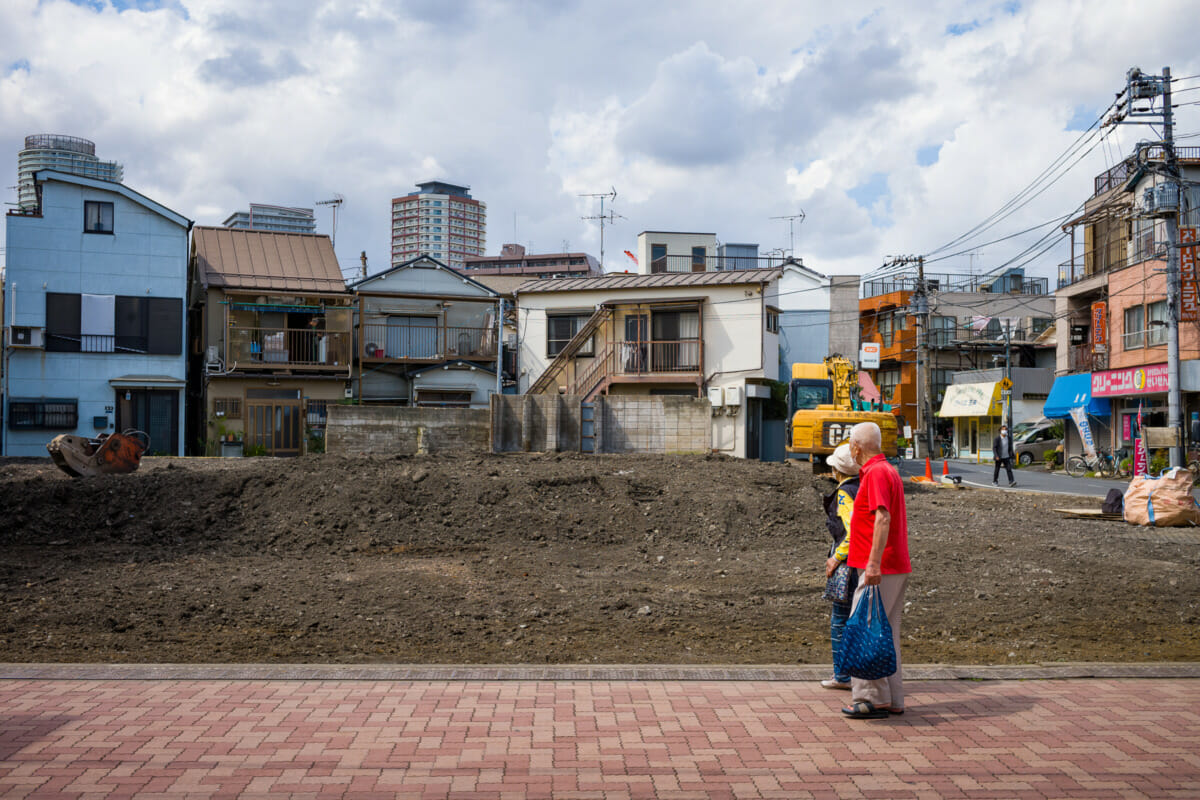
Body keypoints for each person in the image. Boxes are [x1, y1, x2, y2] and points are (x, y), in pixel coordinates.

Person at [840, 421, 912, 719]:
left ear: (857, 446)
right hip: (893, 565)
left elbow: (882, 518)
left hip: (879, 567)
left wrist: (872, 562)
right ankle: (893, 697)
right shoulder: (886, 470)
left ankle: (871, 697)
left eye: (850, 444)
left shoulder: (876, 473)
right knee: (886, 632)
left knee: (865, 630)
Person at [820, 443, 860, 690]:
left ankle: (842, 675)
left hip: (846, 561)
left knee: (839, 618)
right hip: (862, 560)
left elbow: (852, 528)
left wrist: (837, 557)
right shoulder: (862, 486)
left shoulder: (844, 493)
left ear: (837, 469)